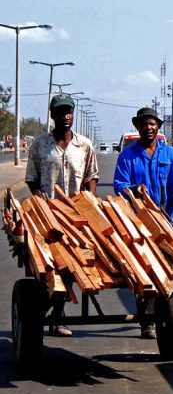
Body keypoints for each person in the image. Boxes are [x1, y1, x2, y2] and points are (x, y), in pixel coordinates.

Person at [25, 94, 100, 337]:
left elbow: (91, 176)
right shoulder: (40, 145)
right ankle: (57, 314)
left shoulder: (84, 145)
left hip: (77, 216)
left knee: (76, 261)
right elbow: (32, 179)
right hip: (48, 216)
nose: (66, 117)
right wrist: (40, 202)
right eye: (60, 112)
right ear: (52, 115)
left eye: (69, 112)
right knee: (55, 263)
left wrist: (89, 202)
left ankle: (57, 311)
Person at [114, 107, 173, 339]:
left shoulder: (171, 155)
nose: (149, 127)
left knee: (169, 269)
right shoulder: (128, 156)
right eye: (144, 124)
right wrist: (133, 190)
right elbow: (119, 186)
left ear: (159, 127)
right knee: (145, 270)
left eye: (152, 124)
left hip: (166, 222)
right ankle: (147, 320)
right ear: (138, 128)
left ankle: (167, 312)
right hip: (137, 224)